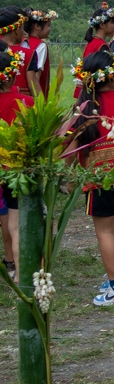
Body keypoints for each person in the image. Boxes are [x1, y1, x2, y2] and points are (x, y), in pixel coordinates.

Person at [67, 49, 114, 307]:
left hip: (99, 180)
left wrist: (63, 175)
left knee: (104, 230)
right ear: (113, 77)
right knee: (111, 226)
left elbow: (70, 145)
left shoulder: (85, 107)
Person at [0, 47, 31, 278]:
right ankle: (21, 274)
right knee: (15, 222)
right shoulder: (25, 102)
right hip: (14, 171)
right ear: (11, 76)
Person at [22, 9, 56, 98]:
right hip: (32, 96)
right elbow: (35, 77)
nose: (50, 29)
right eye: (48, 26)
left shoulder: (22, 41)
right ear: (37, 26)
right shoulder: (41, 46)